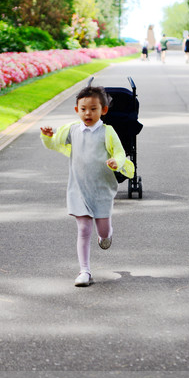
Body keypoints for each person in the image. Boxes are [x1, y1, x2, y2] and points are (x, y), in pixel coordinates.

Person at [40, 85, 135, 287]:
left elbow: (119, 152)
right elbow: (54, 143)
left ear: (103, 110)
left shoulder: (107, 132)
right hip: (78, 189)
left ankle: (106, 235)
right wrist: (47, 136)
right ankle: (84, 271)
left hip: (101, 190)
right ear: (77, 110)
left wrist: (116, 162)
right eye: (83, 109)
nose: (88, 113)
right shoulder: (72, 130)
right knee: (83, 229)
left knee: (102, 229)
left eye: (93, 108)